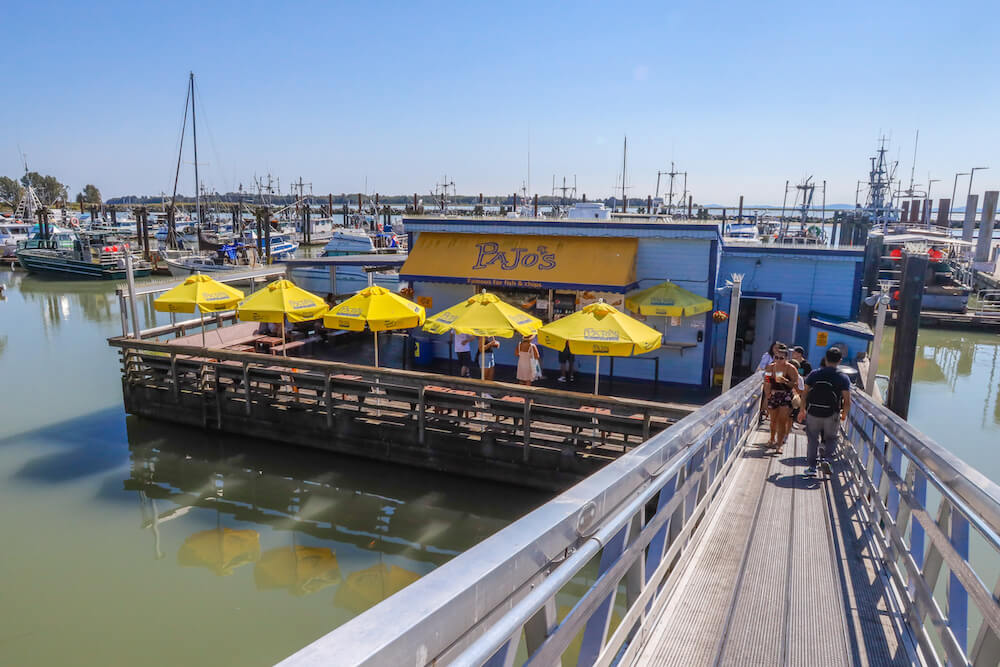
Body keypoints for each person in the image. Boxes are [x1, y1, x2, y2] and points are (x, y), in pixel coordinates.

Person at [798, 346, 852, 477]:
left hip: (813, 412)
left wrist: (802, 410)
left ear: (826, 359)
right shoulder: (843, 378)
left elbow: (804, 394)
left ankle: (811, 467)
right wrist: (843, 414)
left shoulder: (814, 374)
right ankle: (827, 460)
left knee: (812, 439)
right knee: (831, 438)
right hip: (832, 414)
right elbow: (847, 400)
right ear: (840, 360)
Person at [763, 344, 799, 451]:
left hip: (786, 395)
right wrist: (767, 393)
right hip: (774, 394)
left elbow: (795, 385)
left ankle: (779, 444)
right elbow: (767, 381)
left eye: (781, 358)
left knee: (782, 421)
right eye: (776, 357)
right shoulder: (770, 367)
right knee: (773, 420)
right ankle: (771, 439)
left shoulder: (791, 369)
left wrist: (786, 381)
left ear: (786, 359)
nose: (778, 360)